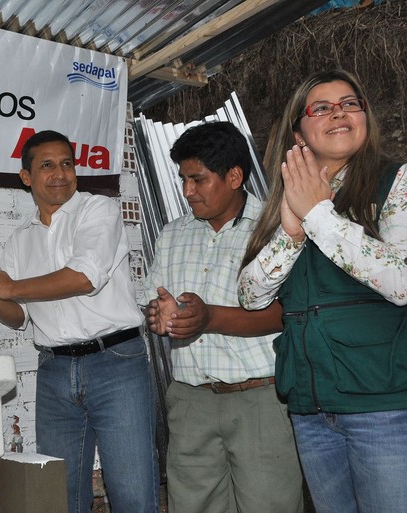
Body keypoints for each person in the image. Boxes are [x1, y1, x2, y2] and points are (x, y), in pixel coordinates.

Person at [0, 130, 158, 513]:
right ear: (26, 177)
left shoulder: (99, 210)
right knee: (58, 494)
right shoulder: (18, 241)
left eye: (67, 163)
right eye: (47, 165)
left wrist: (10, 286)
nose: (60, 173)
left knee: (132, 490)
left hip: (116, 363)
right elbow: (19, 317)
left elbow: (84, 277)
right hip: (54, 371)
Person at [238, 69, 407, 513]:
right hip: (311, 408)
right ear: (299, 130)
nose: (340, 113)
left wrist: (319, 216)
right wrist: (291, 232)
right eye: (323, 107)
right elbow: (250, 295)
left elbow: (403, 281)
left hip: (383, 405)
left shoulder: (395, 181)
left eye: (351, 103)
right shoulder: (284, 199)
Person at [141, 121, 303, 513]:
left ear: (234, 176)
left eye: (198, 179)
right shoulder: (173, 233)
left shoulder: (277, 227)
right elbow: (154, 299)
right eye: (182, 179)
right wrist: (159, 314)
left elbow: (288, 313)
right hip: (190, 400)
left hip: (261, 399)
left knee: (271, 505)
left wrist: (208, 317)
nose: (186, 191)